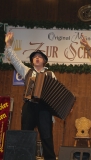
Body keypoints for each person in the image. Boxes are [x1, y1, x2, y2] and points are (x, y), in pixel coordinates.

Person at [5, 32, 56, 160]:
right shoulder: (27, 71)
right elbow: (15, 60)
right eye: (35, 57)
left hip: (44, 109)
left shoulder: (51, 74)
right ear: (32, 61)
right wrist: (8, 44)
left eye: (40, 57)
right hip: (29, 107)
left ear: (44, 61)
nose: (37, 58)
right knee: (26, 134)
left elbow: (56, 93)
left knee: (47, 137)